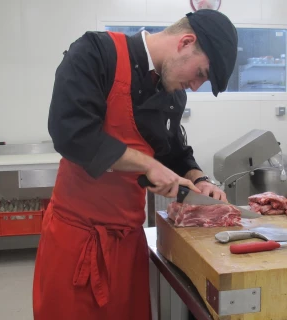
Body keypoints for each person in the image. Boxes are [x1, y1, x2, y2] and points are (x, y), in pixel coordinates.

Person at [33, 9, 238, 320]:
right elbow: (71, 132)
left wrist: (199, 179)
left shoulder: (172, 95)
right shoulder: (96, 53)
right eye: (201, 74)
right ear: (185, 42)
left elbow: (174, 152)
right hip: (76, 241)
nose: (195, 87)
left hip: (128, 243)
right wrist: (147, 164)